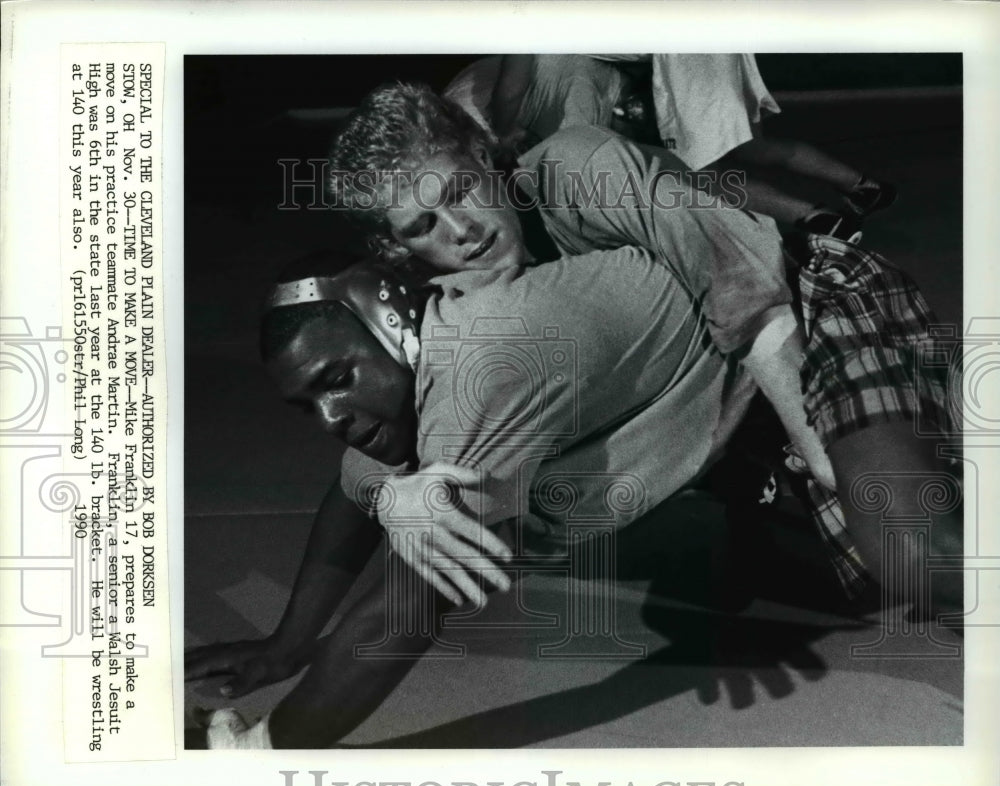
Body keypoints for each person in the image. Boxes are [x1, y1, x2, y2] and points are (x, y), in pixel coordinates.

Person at [327, 82, 960, 613]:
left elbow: (749, 297)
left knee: (908, 549)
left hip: (803, 304)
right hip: (724, 396)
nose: (462, 231)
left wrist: (817, 449)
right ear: (398, 250)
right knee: (859, 575)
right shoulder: (442, 299)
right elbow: (389, 418)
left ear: (483, 157)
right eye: (423, 226)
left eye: (460, 190)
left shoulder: (580, 166)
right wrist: (392, 494)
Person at [188, 239, 763, 748]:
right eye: (308, 404)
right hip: (712, 406)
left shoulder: (481, 366)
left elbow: (412, 600)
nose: (331, 417)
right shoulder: (425, 344)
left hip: (782, 373)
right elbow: (353, 490)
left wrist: (259, 755)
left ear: (390, 324)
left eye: (337, 381)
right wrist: (284, 647)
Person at [448, 53, 896, 240]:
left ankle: (813, 219)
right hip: (704, 43)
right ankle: (860, 186)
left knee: (694, 175)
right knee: (751, 149)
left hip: (688, 51)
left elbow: (580, 179)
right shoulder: (580, 68)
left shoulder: (575, 80)